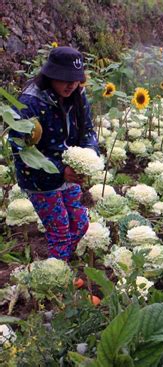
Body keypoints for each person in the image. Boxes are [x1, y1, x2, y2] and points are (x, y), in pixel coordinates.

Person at [9, 46, 99, 261]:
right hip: (39, 178)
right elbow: (21, 149)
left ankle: (61, 263)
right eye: (65, 79)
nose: (71, 84)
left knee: (79, 223)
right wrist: (60, 170)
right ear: (50, 75)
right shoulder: (29, 103)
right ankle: (58, 278)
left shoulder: (78, 95)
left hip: (70, 172)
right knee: (59, 229)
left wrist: (88, 157)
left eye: (76, 79)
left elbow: (87, 130)